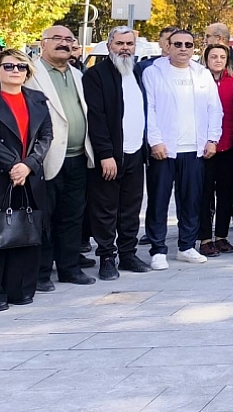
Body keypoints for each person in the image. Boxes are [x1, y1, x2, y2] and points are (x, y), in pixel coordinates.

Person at [0, 50, 53, 311]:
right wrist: (13, 166)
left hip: (29, 176)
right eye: (8, 66)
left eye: (21, 67)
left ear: (28, 72)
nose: (15, 71)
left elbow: (45, 136)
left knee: (25, 231)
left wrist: (28, 165)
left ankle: (20, 289)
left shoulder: (38, 99)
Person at [23, 25, 96, 292]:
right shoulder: (30, 74)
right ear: (43, 43)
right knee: (44, 218)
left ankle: (69, 269)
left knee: (72, 216)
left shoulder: (78, 75)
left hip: (78, 156)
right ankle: (41, 274)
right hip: (45, 159)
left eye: (69, 39)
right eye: (57, 39)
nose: (64, 43)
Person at [143, 29, 222, 269]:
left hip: (195, 149)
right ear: (168, 46)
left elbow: (214, 109)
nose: (183, 48)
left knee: (191, 200)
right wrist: (155, 141)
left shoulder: (202, 74)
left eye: (188, 44)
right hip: (164, 149)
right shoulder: (153, 73)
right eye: (177, 44)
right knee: (159, 200)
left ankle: (186, 246)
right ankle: (158, 249)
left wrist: (212, 139)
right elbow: (150, 109)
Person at [82, 27, 151, 280]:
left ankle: (128, 254)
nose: (125, 48)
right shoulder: (96, 75)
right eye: (120, 43)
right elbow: (95, 117)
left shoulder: (139, 73)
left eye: (129, 43)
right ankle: (107, 257)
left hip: (135, 153)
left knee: (131, 208)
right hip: (111, 156)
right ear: (109, 45)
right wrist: (105, 154)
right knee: (105, 209)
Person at [197, 44, 233, 258]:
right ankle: (205, 238)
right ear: (206, 59)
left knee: (226, 193)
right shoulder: (198, 81)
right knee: (204, 194)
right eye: (213, 56)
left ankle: (221, 236)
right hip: (203, 147)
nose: (218, 60)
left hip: (229, 146)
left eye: (222, 56)